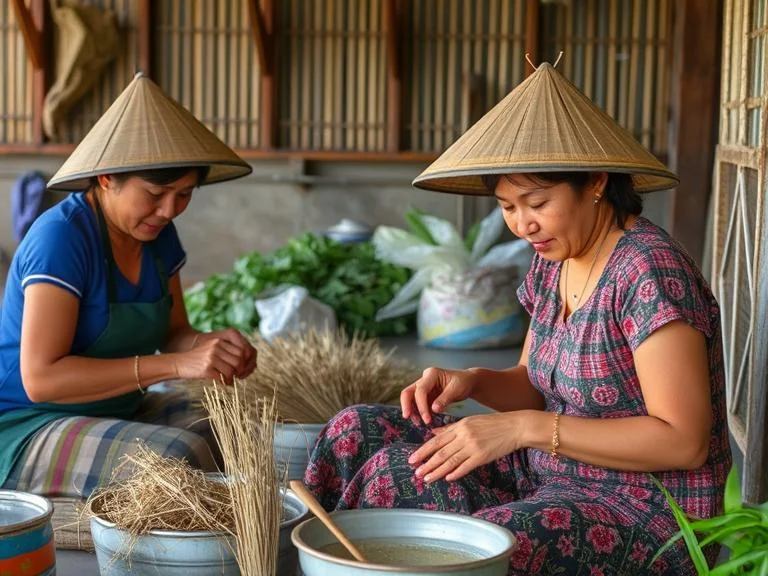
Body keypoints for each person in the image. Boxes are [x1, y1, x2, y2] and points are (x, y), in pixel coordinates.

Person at [304, 62, 731, 575]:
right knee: (359, 434)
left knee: (498, 546)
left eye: (537, 202)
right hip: (547, 471)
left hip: (646, 510)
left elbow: (683, 442)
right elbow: (532, 383)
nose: (522, 224)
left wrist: (523, 429)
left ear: (595, 183)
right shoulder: (555, 259)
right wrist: (469, 382)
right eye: (507, 206)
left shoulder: (649, 271)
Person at [0, 72, 257, 498]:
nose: (170, 210)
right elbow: (42, 379)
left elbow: (175, 334)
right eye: (156, 192)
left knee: (229, 429)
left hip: (113, 407)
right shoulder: (61, 239)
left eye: (185, 194)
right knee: (179, 460)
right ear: (106, 179)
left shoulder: (156, 234)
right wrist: (176, 366)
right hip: (26, 422)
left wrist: (211, 348)